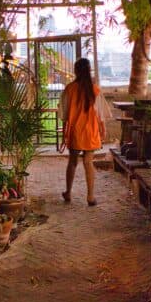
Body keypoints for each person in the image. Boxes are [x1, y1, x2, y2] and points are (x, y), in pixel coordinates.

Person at [58, 58, 108, 205]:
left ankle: (68, 193)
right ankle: (90, 197)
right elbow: (101, 114)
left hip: (75, 131)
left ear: (76, 71)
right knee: (88, 162)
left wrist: (64, 133)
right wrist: (103, 129)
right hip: (91, 132)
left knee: (72, 162)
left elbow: (63, 114)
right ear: (89, 70)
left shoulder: (69, 89)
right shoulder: (95, 89)